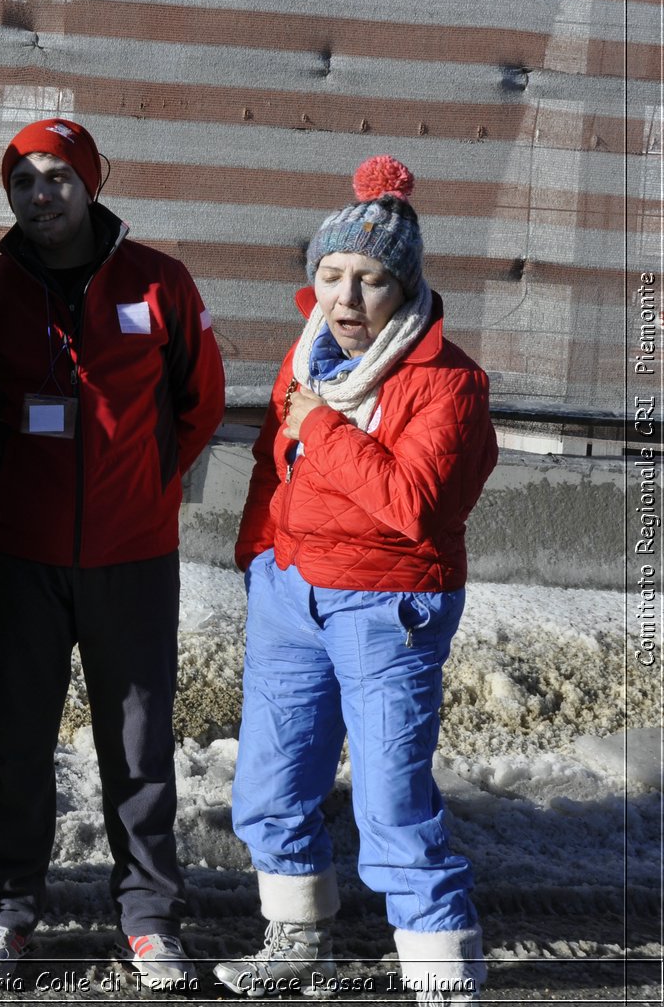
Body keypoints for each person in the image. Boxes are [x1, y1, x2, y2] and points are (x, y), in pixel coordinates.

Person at [217, 156, 497, 1004]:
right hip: (291, 591)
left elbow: (413, 502)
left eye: (368, 279)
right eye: (331, 275)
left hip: (387, 603)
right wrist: (257, 553)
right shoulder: (303, 362)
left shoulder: (448, 382)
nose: (345, 298)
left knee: (391, 804)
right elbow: (275, 466)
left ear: (402, 288)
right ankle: (297, 941)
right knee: (270, 785)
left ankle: (444, 978)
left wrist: (325, 430)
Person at [0, 118, 225, 989]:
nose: (42, 194)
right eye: (25, 180)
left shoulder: (160, 282)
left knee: (139, 741)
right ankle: (9, 907)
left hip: (132, 554)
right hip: (23, 553)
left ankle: (147, 914)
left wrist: (153, 480)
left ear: (92, 183)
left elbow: (202, 397)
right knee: (16, 737)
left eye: (59, 177)